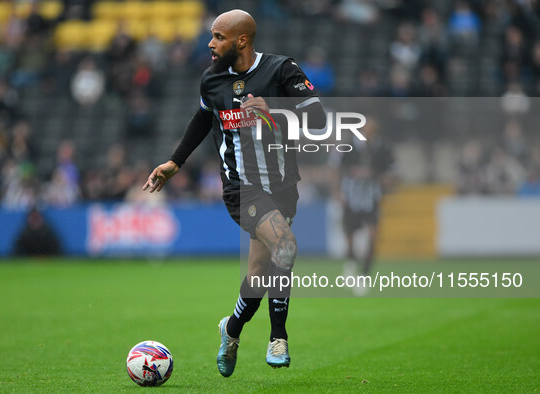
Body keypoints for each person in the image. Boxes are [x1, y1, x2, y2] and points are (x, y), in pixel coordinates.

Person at [143, 9, 325, 377]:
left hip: (283, 186)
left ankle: (231, 330)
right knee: (286, 246)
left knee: (259, 272)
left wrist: (274, 112)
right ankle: (278, 338)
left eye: (218, 37)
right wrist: (175, 163)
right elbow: (202, 119)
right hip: (242, 188)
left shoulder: (281, 70)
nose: (210, 43)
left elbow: (318, 119)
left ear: (241, 40)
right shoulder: (212, 81)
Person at [332, 118, 395, 295]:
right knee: (350, 236)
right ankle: (351, 262)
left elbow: (392, 172)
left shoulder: (382, 148)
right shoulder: (348, 145)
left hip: (371, 198)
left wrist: (384, 179)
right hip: (351, 197)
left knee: (373, 236)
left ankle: (364, 275)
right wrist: (337, 191)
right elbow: (336, 167)